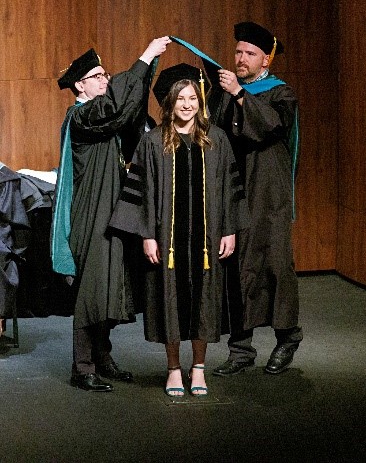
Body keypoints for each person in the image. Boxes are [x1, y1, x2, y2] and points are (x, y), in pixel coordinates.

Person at [109, 63, 249, 398]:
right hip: (167, 240)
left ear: (200, 102)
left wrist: (229, 230)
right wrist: (146, 234)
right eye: (179, 98)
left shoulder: (217, 140)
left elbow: (231, 189)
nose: (187, 104)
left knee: (204, 301)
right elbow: (139, 193)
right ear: (169, 103)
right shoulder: (153, 142)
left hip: (206, 240)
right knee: (168, 301)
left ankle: (198, 367)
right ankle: (173, 369)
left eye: (192, 98)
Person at [51, 36, 171, 392]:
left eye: (106, 74)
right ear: (80, 85)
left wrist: (147, 71)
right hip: (91, 212)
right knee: (92, 288)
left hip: (111, 210)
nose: (105, 79)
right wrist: (144, 56)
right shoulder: (82, 115)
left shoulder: (102, 115)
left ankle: (102, 357)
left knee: (108, 286)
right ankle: (82, 364)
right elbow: (117, 105)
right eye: (98, 75)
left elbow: (128, 109)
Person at [209, 21, 303, 376]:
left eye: (250, 54)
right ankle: (240, 349)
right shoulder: (226, 92)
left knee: (276, 265)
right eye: (238, 52)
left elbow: (270, 127)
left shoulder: (280, 93)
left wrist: (239, 96)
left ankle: (287, 337)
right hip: (237, 191)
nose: (241, 58)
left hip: (270, 194)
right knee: (237, 268)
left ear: (266, 60)